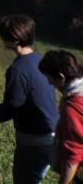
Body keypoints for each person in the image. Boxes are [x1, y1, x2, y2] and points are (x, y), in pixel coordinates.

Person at [0, 14, 59, 184]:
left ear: (13, 40)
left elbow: (9, 110)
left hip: (33, 140)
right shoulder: (41, 60)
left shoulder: (18, 70)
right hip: (52, 133)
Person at [38, 50, 83, 184]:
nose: (50, 83)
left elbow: (73, 155)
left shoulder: (73, 107)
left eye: (50, 79)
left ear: (61, 77)